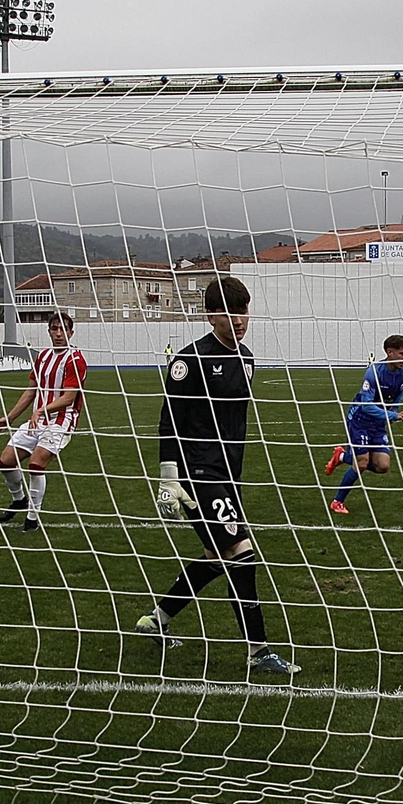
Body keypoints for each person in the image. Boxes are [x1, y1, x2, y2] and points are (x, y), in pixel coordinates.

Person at [138, 276, 298, 676]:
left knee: (216, 556)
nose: (238, 320)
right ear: (211, 315)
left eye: (242, 311)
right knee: (241, 554)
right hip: (198, 474)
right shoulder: (189, 361)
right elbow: (168, 420)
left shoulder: (246, 358)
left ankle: (156, 619)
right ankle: (258, 650)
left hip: (228, 474)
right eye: (228, 313)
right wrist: (169, 477)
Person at [0, 313, 86, 532]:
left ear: (71, 333)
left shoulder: (75, 360)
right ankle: (19, 500)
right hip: (38, 420)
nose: (59, 333)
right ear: (49, 331)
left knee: (36, 464)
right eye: (55, 329)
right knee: (6, 461)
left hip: (61, 421)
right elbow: (30, 391)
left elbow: (69, 398)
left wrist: (41, 411)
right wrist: (10, 417)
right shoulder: (42, 356)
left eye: (63, 330)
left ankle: (32, 519)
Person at [324, 334, 403, 514]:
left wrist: (393, 412)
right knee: (362, 463)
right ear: (389, 352)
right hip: (359, 419)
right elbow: (366, 406)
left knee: (383, 466)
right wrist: (393, 416)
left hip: (378, 421)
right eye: (401, 354)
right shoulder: (374, 372)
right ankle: (337, 502)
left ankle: (341, 457)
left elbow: (398, 394)